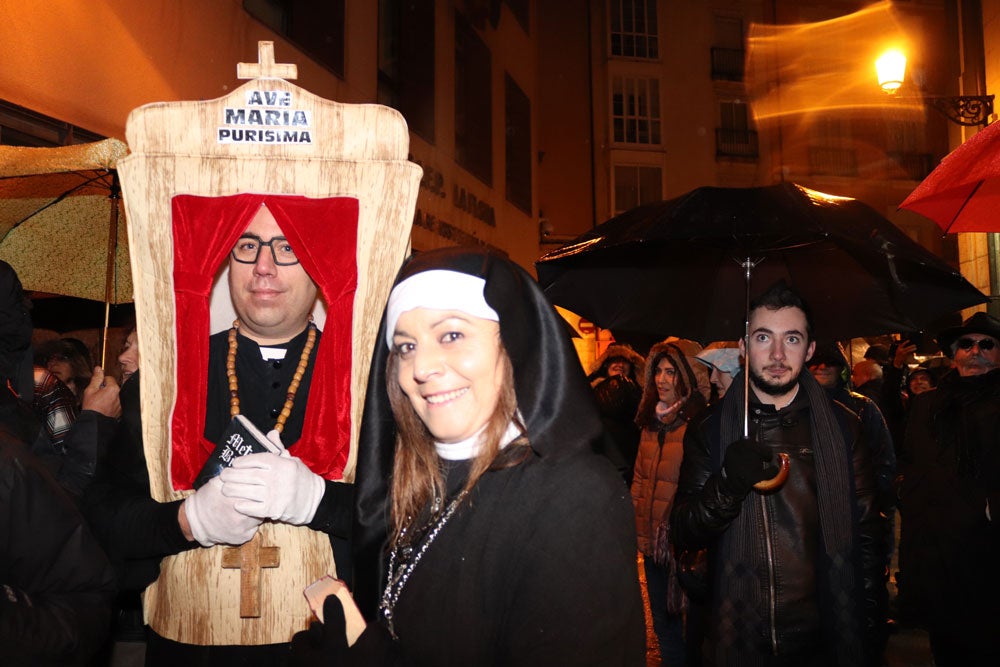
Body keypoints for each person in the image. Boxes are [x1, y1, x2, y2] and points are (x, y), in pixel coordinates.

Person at [295, 246, 645, 665]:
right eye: (405, 347)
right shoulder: (423, 480)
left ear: (513, 344)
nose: (421, 367)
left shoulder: (577, 496)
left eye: (452, 335)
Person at [91, 203, 354, 665]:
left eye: (287, 247)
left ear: (318, 261)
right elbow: (100, 519)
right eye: (247, 246)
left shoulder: (366, 380)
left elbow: (413, 523)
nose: (263, 267)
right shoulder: (164, 380)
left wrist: (321, 502)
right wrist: (185, 522)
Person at [670, 281, 882, 666]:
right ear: (743, 346)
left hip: (824, 637)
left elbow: (866, 535)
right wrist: (728, 485)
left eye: (793, 339)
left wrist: (868, 634)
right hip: (733, 635)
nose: (778, 354)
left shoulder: (844, 428)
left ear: (811, 349)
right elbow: (683, 530)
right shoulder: (710, 428)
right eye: (764, 337)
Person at [897, 312, 1000, 665]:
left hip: (988, 547)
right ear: (955, 354)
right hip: (939, 548)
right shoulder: (928, 405)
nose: (976, 351)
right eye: (967, 344)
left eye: (987, 344)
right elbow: (912, 464)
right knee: (948, 645)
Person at [631, 340, 706, 665]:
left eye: (671, 372)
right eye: (658, 371)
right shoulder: (649, 423)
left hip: (681, 546)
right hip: (651, 545)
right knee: (663, 623)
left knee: (692, 628)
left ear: (685, 377)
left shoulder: (697, 425)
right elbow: (640, 481)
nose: (662, 379)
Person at [36, 337, 94, 402]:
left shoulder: (91, 398)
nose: (52, 363)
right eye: (49, 358)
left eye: (61, 358)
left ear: (78, 363)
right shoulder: (38, 397)